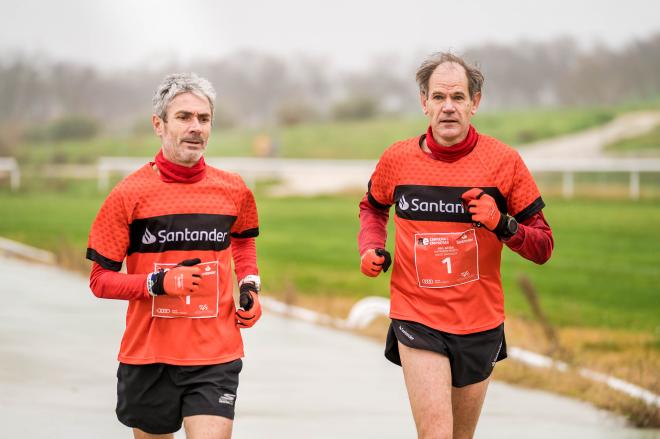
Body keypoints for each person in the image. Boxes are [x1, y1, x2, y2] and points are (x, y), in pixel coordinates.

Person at [358, 53, 554, 439]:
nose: (448, 106)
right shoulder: (397, 159)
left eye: (459, 97)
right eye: (439, 97)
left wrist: (501, 223)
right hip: (418, 318)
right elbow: (373, 207)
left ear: (475, 103)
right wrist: (370, 246)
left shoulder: (504, 163)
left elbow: (543, 245)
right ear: (424, 102)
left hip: (479, 323)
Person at [86, 73, 262, 439]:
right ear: (159, 124)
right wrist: (157, 283)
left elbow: (243, 241)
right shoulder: (128, 194)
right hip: (149, 357)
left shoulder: (233, 189)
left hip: (215, 356)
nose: (195, 127)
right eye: (184, 117)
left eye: (204, 118)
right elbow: (100, 280)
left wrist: (250, 285)